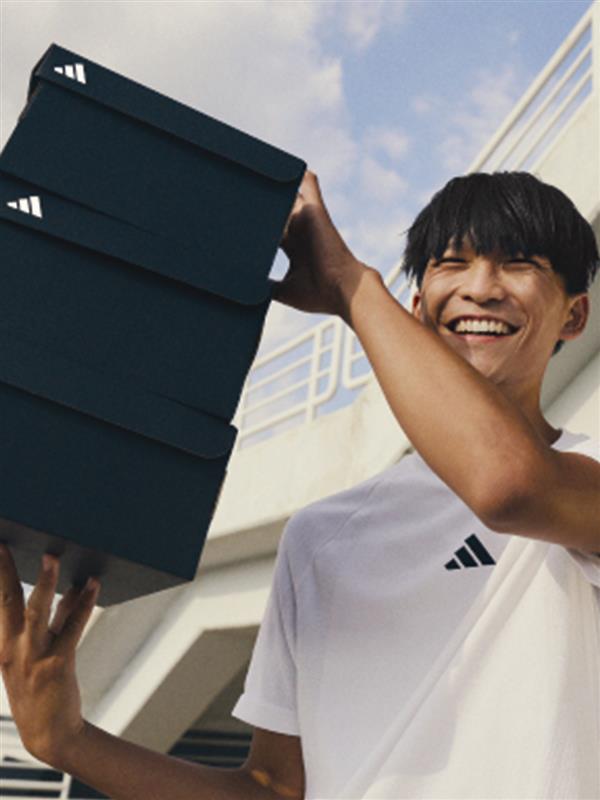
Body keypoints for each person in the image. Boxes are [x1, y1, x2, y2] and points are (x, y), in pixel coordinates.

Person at [1, 169, 599, 800]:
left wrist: (350, 284)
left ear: (574, 315)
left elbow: (509, 487)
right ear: (418, 306)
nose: (481, 289)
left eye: (519, 265)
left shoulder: (585, 479)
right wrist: (66, 740)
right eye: (452, 263)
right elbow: (274, 789)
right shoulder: (319, 537)